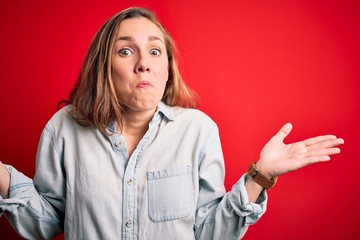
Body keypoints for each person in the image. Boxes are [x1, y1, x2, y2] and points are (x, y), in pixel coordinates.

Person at [0, 7, 344, 240]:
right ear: (103, 65)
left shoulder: (198, 130)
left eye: (154, 51)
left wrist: (260, 175)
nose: (142, 64)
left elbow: (210, 231)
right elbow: (44, 223)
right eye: (125, 51)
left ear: (167, 69)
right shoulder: (64, 129)